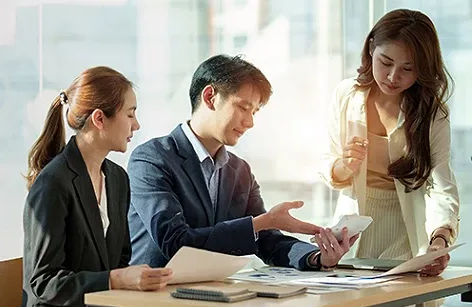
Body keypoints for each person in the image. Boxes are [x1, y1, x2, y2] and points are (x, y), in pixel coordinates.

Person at [127, 54, 357, 272]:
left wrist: (318, 256)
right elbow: (175, 242)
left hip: (212, 295)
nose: (250, 122)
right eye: (243, 107)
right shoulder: (151, 159)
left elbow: (267, 241)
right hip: (155, 299)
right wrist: (260, 223)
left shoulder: (239, 170)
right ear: (210, 97)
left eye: (255, 111)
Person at [319, 9, 460, 307]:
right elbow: (328, 166)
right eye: (386, 62)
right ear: (370, 50)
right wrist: (345, 165)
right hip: (354, 234)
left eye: (408, 68)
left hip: (405, 236)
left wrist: (440, 238)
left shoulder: (431, 112)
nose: (393, 76)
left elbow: (441, 185)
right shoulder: (346, 95)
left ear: (423, 68)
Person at [15, 66, 173, 307]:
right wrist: (115, 279)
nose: (136, 125)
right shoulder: (53, 184)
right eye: (130, 114)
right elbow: (44, 282)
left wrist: (139, 279)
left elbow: (121, 257)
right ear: (100, 119)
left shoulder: (117, 178)